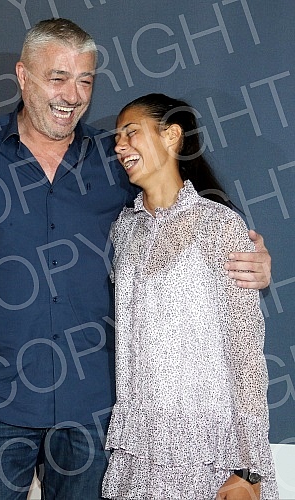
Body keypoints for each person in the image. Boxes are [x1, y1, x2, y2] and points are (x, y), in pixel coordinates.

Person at [0, 19, 272, 500]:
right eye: (58, 78)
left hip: (94, 409)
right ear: (23, 76)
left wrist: (248, 255)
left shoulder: (114, 158)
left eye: (85, 80)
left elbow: (176, 211)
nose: (73, 95)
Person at [101, 93, 278, 500]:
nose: (120, 146)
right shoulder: (124, 231)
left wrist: (249, 469)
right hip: (138, 454)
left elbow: (245, 351)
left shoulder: (219, 225)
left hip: (211, 456)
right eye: (117, 138)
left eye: (131, 132)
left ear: (172, 136)